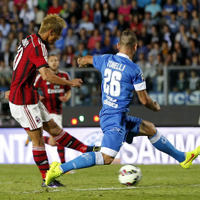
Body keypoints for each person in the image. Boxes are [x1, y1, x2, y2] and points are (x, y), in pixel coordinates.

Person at [45, 29, 200, 186]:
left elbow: (86, 59)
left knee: (150, 128)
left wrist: (81, 61)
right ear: (135, 47)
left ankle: (183, 158)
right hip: (114, 119)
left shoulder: (106, 59)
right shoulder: (134, 70)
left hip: (117, 116)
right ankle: (59, 169)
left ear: (118, 45)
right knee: (106, 158)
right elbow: (144, 100)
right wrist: (155, 107)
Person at [6, 14, 99, 188]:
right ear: (50, 32)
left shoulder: (30, 39)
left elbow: (19, 63)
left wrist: (15, 84)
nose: (58, 39)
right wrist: (69, 82)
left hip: (29, 94)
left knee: (55, 129)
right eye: (57, 35)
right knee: (39, 140)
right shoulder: (38, 47)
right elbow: (47, 75)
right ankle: (46, 179)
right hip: (22, 100)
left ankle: (84, 150)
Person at [25, 54, 71, 164]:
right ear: (48, 63)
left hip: (58, 111)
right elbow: (32, 88)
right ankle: (64, 165)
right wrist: (38, 96)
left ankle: (33, 138)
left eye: (56, 60)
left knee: (54, 141)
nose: (54, 62)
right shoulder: (42, 77)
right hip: (45, 111)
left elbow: (68, 90)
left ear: (59, 62)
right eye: (51, 61)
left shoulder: (64, 75)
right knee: (59, 138)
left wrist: (66, 97)